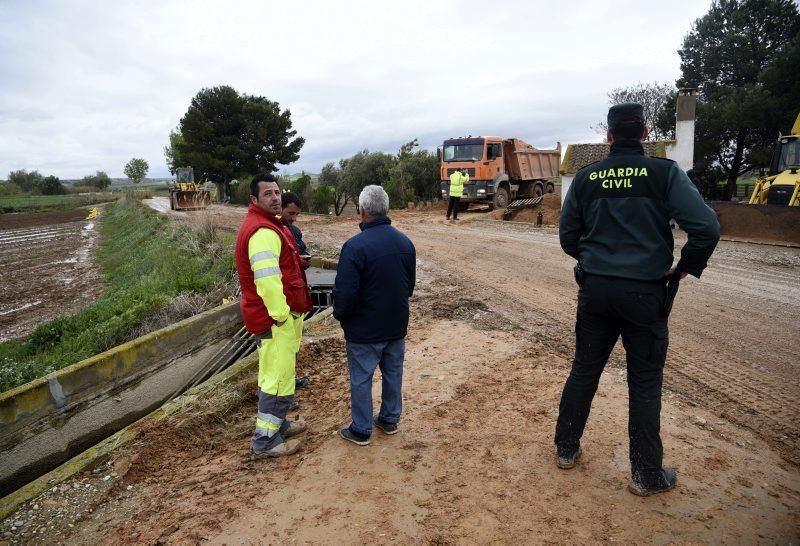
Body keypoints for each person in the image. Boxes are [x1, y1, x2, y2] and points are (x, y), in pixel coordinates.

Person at [555, 103, 720, 496]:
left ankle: (566, 449)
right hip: (645, 293)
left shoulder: (586, 177)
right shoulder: (664, 173)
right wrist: (684, 267)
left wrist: (595, 261)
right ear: (645, 133)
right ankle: (646, 474)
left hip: (595, 291)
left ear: (609, 136)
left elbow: (567, 238)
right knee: (644, 383)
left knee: (584, 369)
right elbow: (707, 227)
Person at [234, 173, 313, 458]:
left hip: (275, 319)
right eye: (268, 193)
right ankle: (265, 441)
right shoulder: (263, 232)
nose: (275, 197)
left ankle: (279, 426)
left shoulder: (269, 226)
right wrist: (281, 316)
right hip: (274, 320)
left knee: (279, 376)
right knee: (276, 380)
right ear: (254, 199)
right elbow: (267, 281)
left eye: (277, 192)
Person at [333, 185, 416, 446]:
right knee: (393, 374)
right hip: (395, 324)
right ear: (386, 209)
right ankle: (389, 419)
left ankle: (361, 429)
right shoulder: (405, 243)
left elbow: (345, 293)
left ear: (362, 211)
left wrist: (341, 316)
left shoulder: (355, 247)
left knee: (361, 378)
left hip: (364, 330)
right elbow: (409, 287)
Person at [281, 191, 311, 270]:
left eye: (297, 214)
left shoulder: (295, 231)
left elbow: (302, 251)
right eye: (291, 213)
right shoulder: (269, 231)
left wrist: (305, 260)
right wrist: (295, 262)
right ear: (279, 209)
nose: (294, 218)